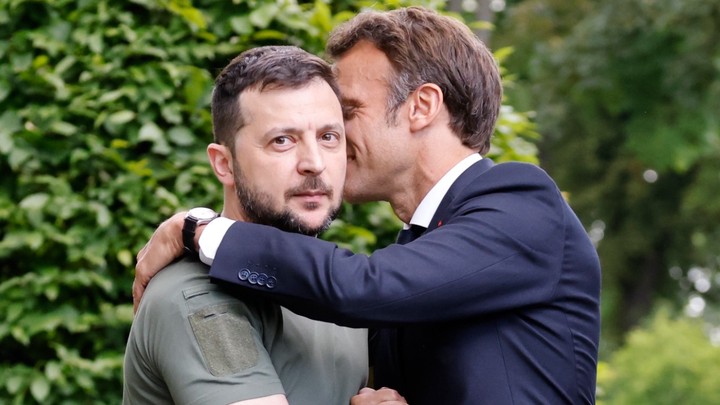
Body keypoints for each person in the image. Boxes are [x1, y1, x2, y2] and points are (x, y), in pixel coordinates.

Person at [134, 7, 601, 405]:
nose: (325, 152)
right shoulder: (419, 251)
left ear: (421, 106)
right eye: (284, 140)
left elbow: (363, 285)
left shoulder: (520, 200)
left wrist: (198, 230)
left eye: (347, 115)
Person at [123, 45, 389, 405]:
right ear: (224, 164)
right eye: (282, 141)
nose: (314, 163)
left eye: (328, 137)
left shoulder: (334, 284)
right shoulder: (198, 298)